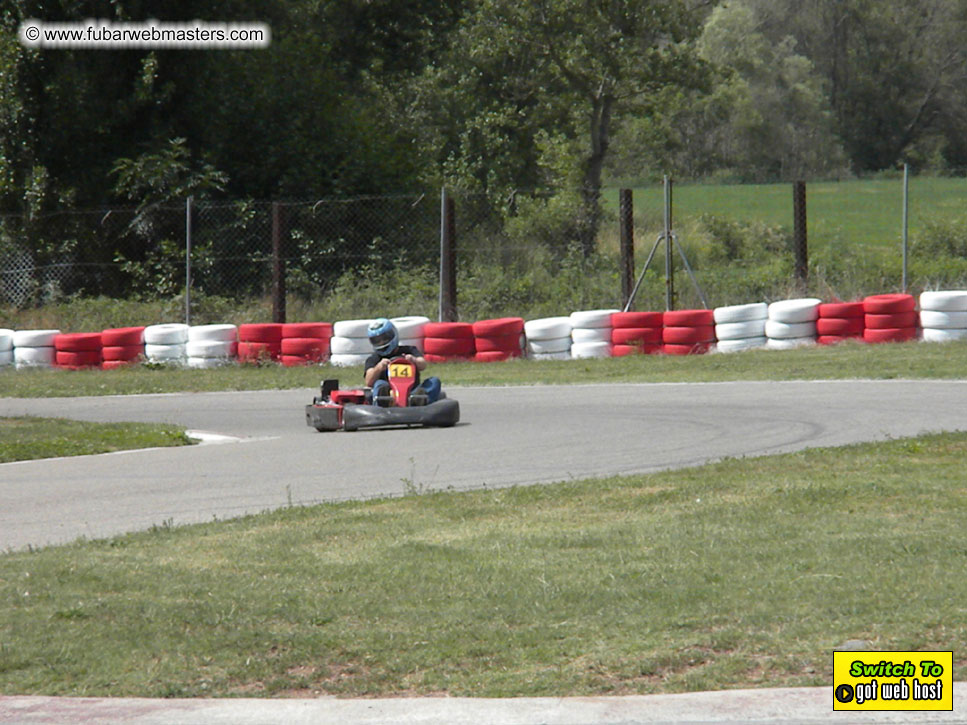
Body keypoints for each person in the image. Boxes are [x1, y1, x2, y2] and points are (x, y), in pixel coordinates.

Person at [364, 318, 441, 406]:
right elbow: (368, 381)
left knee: (434, 381)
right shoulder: (374, 358)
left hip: (412, 392)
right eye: (377, 340)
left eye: (384, 338)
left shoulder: (409, 350)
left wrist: (413, 360)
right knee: (379, 383)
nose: (381, 342)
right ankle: (385, 402)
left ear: (392, 335)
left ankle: (417, 401)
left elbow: (423, 365)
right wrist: (379, 367)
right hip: (389, 394)